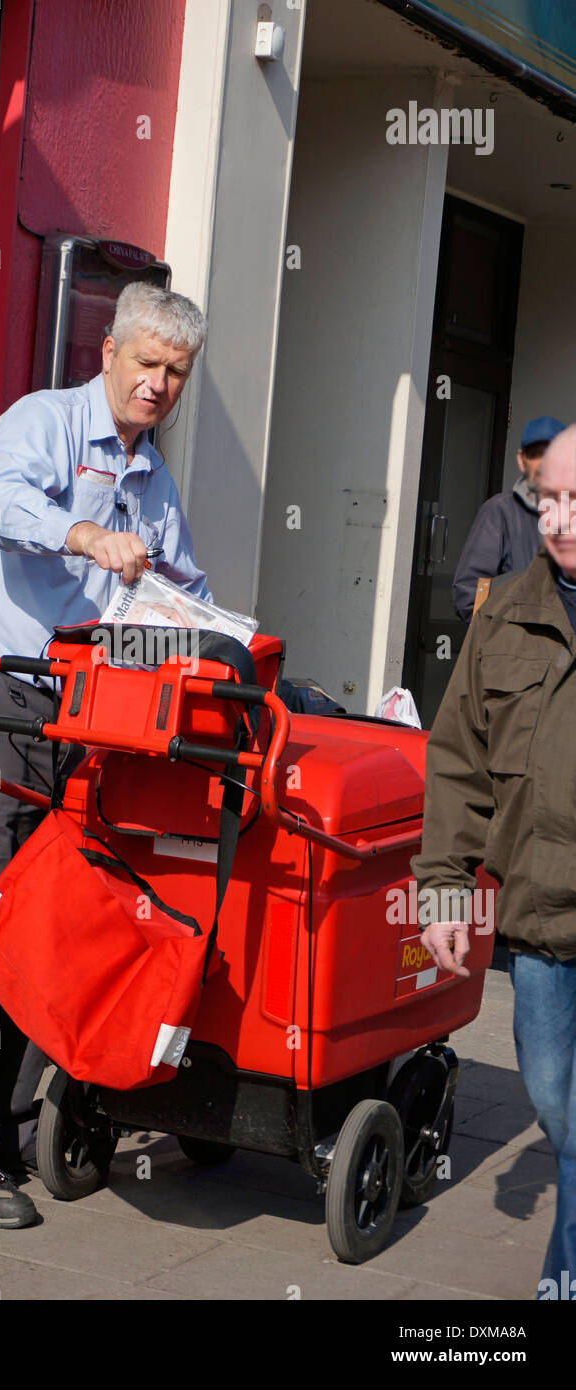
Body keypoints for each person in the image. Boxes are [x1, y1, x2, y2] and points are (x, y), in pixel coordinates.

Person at [0, 283, 211, 1229]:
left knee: (43, 917)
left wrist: (217, 639)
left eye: (176, 373)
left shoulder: (154, 481)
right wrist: (82, 533)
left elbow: (186, 590)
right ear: (109, 351)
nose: (157, 384)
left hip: (78, 715)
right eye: (146, 363)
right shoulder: (42, 422)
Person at [413, 422, 576, 1300]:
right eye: (547, 498)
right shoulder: (505, 611)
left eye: (575, 501)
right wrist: (440, 897)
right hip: (540, 923)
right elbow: (456, 761)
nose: (557, 519)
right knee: (554, 1107)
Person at [451, 416, 565, 622]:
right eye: (535, 454)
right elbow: (468, 596)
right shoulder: (500, 511)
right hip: (519, 648)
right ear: (522, 460)